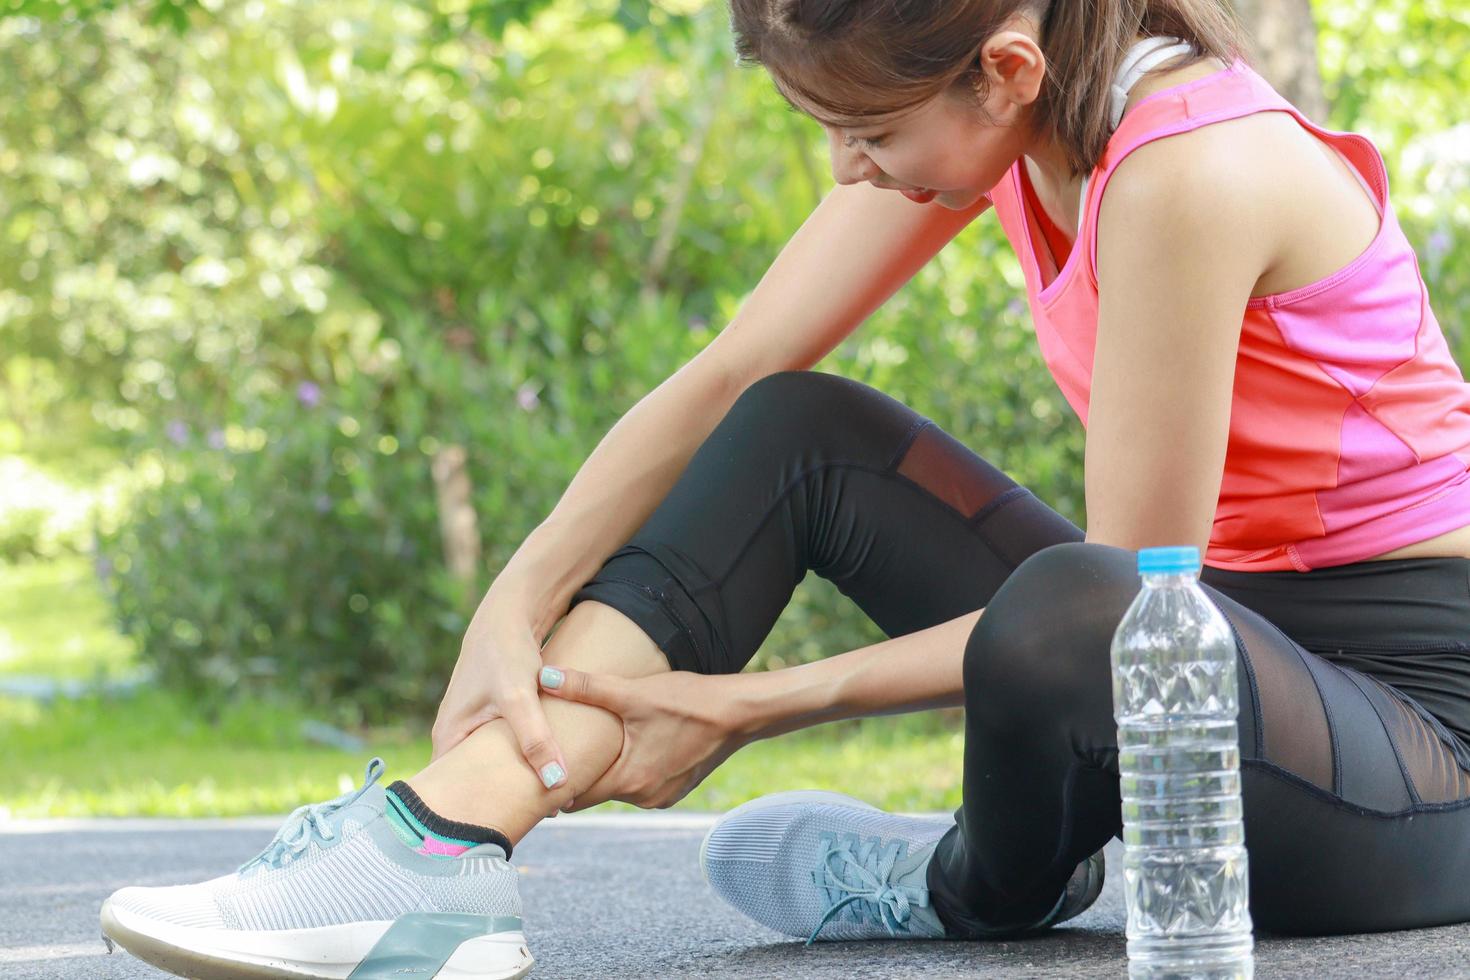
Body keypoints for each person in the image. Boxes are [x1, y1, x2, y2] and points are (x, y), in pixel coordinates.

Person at [99, 1, 1470, 976]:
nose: (846, 166)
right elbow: (730, 369)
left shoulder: (1183, 165)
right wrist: (511, 602)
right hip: (1225, 658)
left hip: (1416, 749)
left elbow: (1140, 606)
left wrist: (745, 707)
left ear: (1000, 70)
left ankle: (973, 879)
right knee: (793, 426)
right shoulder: (1011, 95)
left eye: (863, 132)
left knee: (1079, 606)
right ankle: (441, 846)